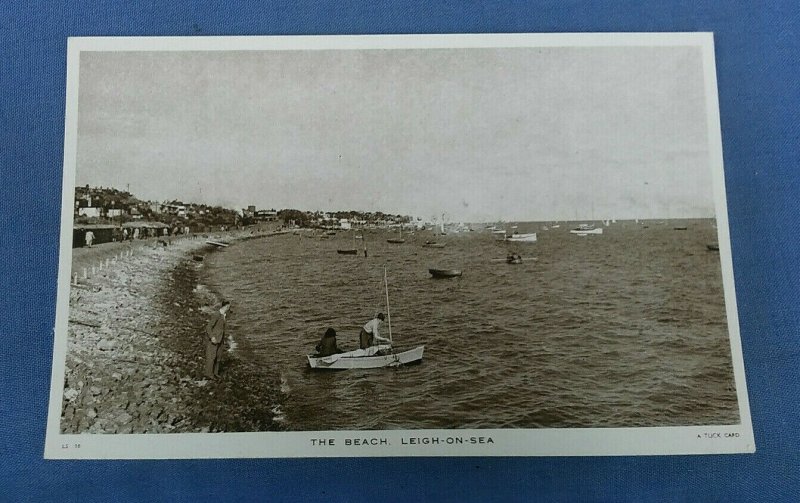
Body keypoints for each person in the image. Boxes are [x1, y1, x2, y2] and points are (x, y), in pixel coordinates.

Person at [204, 300, 231, 378]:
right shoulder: (217, 315)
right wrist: (212, 337)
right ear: (225, 306)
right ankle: (209, 374)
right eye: (228, 307)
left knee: (218, 357)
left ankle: (215, 373)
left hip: (220, 339)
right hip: (214, 339)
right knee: (211, 357)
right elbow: (208, 327)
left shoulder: (224, 315)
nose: (229, 309)